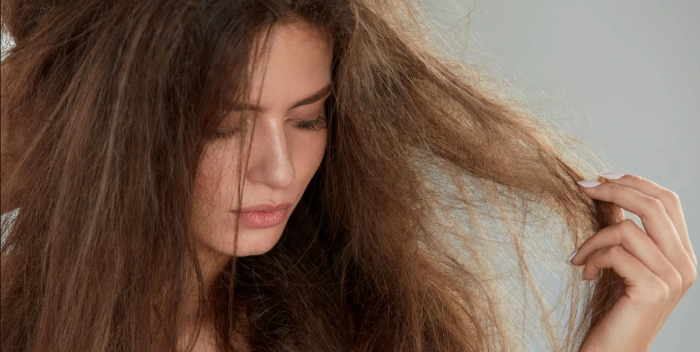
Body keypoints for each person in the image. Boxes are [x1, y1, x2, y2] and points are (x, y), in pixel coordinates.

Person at [0, 0, 695, 351]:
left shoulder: (360, 321)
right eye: (222, 126)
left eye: (307, 119)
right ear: (116, 131)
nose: (278, 170)